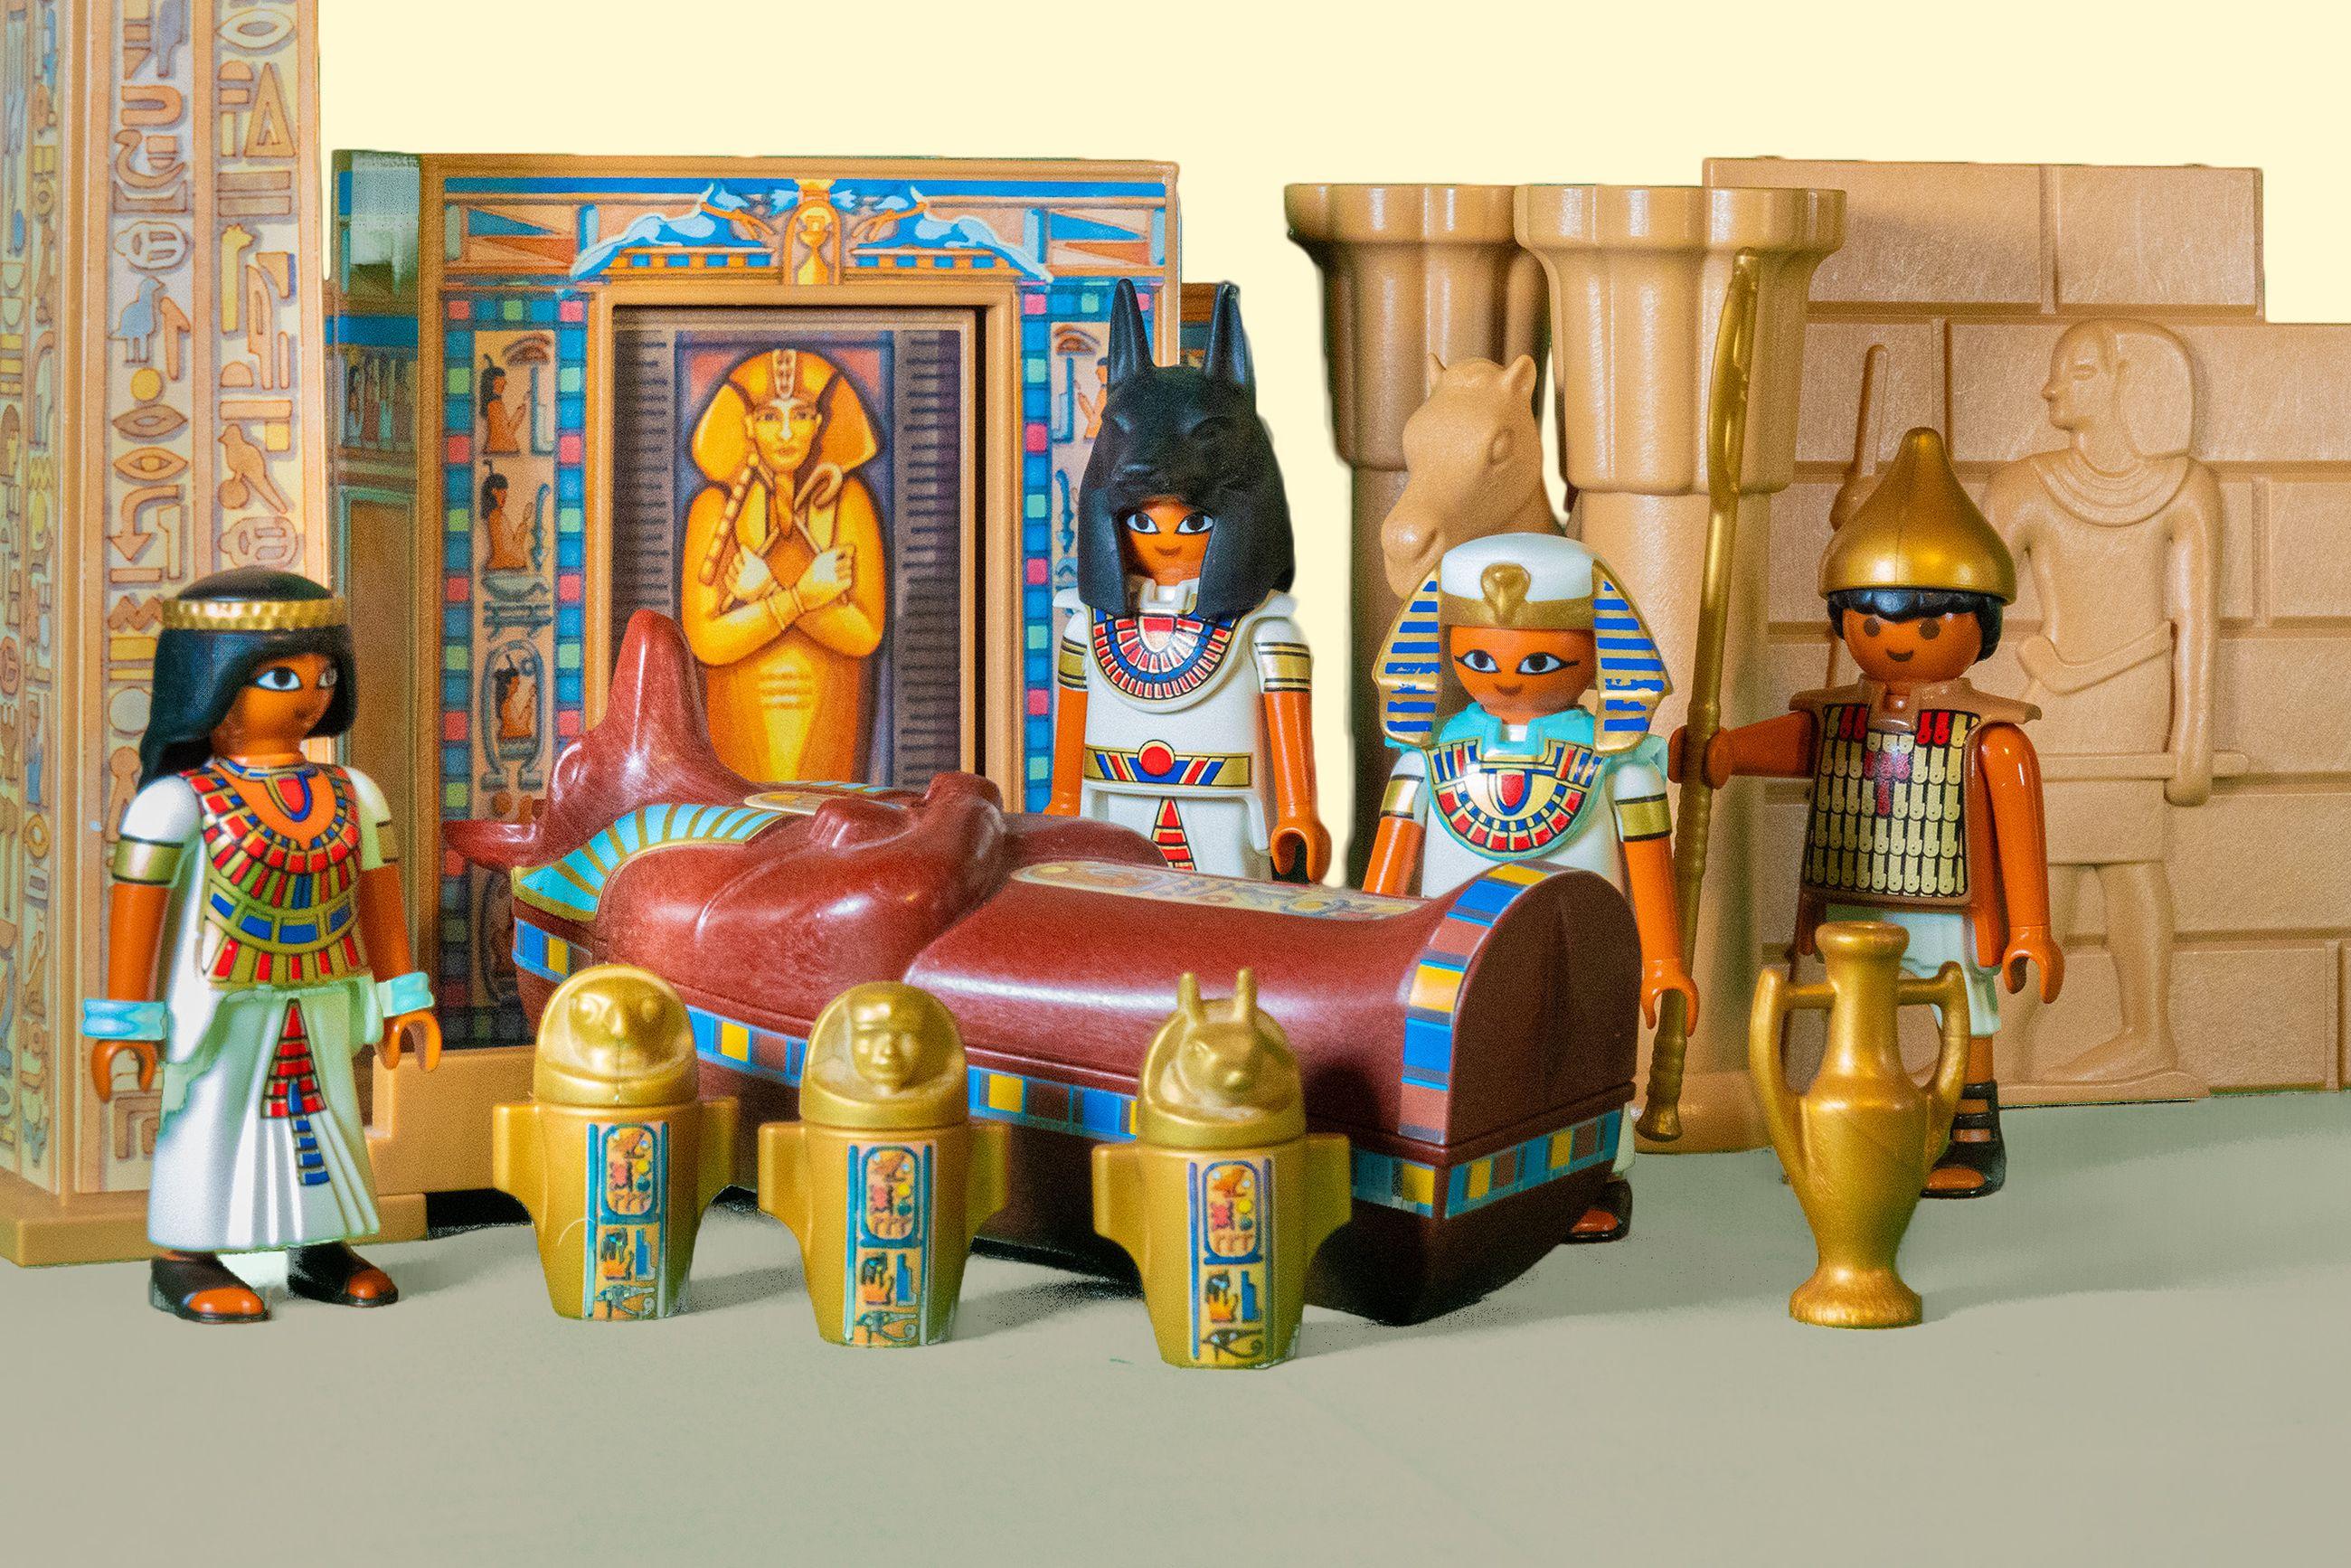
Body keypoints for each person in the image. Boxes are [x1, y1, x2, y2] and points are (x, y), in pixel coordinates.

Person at [1679, 429, 2061, 1196]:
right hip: (1853, 892)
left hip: (1952, 900)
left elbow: (2019, 835)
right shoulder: (1839, 716)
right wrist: (1725, 752)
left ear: (1979, 625)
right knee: (1853, 1010)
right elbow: (1797, 744)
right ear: (1845, 621)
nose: (1898, 642)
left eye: (1929, 625)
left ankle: (1971, 1133)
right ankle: (1847, 1130)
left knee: (1962, 1009)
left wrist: (2031, 929)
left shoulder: (1991, 735)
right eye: (1874, 622)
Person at [83, 569, 439, 1321]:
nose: (309, 695)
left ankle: (319, 1248)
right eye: (282, 676)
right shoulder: (176, 802)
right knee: (211, 1117)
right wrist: (125, 1019)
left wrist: (404, 996)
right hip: (221, 994)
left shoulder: (353, 793)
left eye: (324, 675)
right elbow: (138, 910)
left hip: (325, 986)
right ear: (208, 682)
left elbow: (380, 898)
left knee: (325, 1117)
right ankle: (184, 1258)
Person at [1367, 533, 1697, 1241]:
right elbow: (1385, 882)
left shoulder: (1621, 765)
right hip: (1453, 950)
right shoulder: (1424, 760)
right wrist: (1372, 946)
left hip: (1579, 946)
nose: (1509, 680)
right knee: (1463, 1063)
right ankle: (1466, 1183)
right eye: (1480, 660)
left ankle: (1589, 1179)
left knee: (1578, 1056)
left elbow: (1648, 863)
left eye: (1540, 661)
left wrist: (1664, 963)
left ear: (1598, 652)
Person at [1046, 280, 1327, 882]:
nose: (1168, 539)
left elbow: (1287, 730)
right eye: (1143, 522)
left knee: (1224, 909)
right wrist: (1063, 807)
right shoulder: (1085, 629)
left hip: (1223, 809)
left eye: (1195, 522)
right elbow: (1070, 740)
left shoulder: (1268, 632)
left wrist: (1298, 814)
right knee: (1117, 908)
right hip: (1112, 803)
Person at [680, 347, 886, 783]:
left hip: (830, 720)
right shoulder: (714, 507)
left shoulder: (848, 501)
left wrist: (769, 592)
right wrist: (801, 598)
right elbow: (706, 640)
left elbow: (865, 633)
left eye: (802, 414)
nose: (787, 432)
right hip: (737, 722)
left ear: (820, 422)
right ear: (748, 425)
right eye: (770, 416)